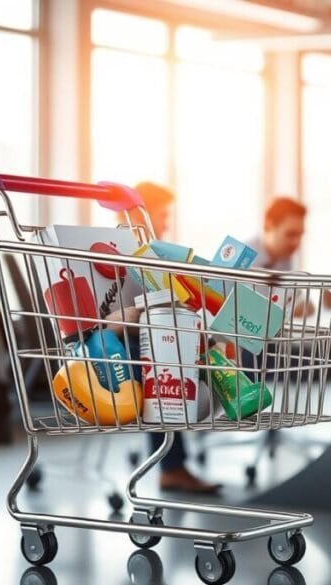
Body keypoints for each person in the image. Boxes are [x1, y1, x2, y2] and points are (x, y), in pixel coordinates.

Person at [115, 182, 221, 494]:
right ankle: (172, 467)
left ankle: (175, 461)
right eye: (162, 215)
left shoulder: (152, 255)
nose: (166, 223)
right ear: (139, 214)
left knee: (183, 351)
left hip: (143, 339)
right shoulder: (119, 255)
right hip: (116, 347)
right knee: (164, 363)